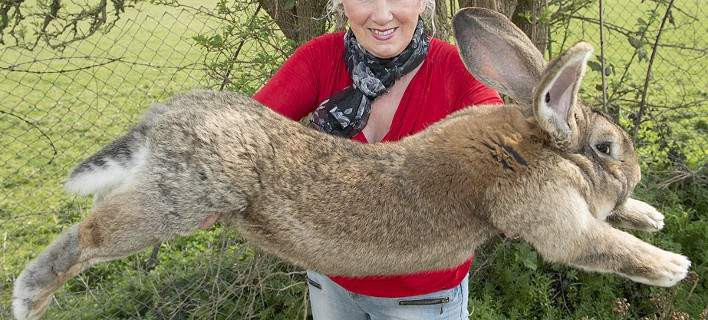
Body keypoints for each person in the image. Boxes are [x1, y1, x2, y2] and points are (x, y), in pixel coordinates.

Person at [253, 0, 502, 318]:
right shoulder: (320, 58)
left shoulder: (457, 72)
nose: (382, 16)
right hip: (331, 283)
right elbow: (241, 133)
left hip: (422, 300)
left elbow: (503, 146)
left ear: (424, 2)